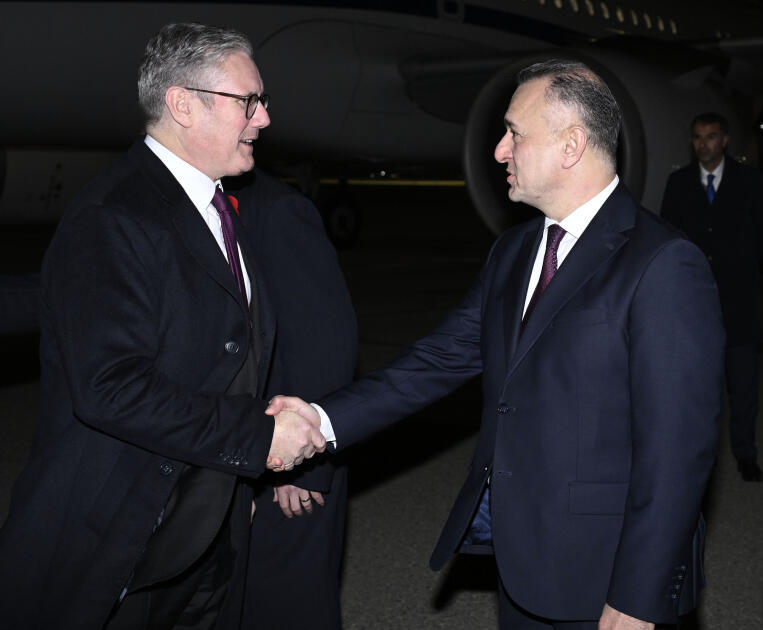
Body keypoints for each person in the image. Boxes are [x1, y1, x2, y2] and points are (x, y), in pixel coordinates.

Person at [267, 60, 725, 629]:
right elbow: (436, 361)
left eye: (514, 133)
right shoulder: (513, 251)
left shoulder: (663, 263)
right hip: (522, 560)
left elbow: (677, 452)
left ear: (571, 145)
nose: (499, 151)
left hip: (607, 576)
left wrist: (638, 596)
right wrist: (320, 418)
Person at [0, 22, 326, 630]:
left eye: (262, 101)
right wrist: (258, 436)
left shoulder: (213, 205)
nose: (263, 119)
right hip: (128, 544)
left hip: (203, 535)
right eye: (248, 101)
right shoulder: (114, 216)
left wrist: (233, 495)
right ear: (182, 105)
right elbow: (111, 388)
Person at [233, 173, 357, 630]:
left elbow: (324, 338)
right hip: (235, 446)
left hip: (286, 459)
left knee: (287, 602)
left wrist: (302, 467)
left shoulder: (276, 211)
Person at [661, 112, 763, 482]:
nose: (702, 144)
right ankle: (702, 458)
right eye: (697, 137)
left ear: (725, 140)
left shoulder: (750, 182)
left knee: (744, 388)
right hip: (695, 307)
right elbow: (668, 238)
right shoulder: (678, 183)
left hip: (740, 305)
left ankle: (745, 453)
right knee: (699, 389)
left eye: (710, 137)